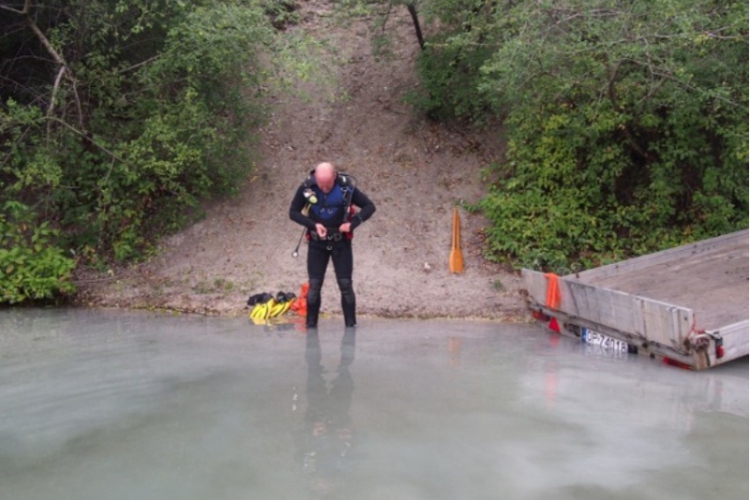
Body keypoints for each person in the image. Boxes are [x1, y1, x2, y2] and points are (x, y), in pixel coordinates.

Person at [289, 162, 375, 328]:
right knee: (314, 286)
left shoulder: (345, 187)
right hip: (317, 243)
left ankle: (351, 327)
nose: (324, 189)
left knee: (345, 284)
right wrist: (313, 225)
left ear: (334, 177)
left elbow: (369, 206)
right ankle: (311, 327)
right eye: (321, 185)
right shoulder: (307, 187)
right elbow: (293, 212)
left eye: (328, 185)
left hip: (340, 242)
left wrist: (352, 224)